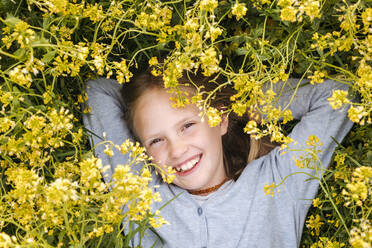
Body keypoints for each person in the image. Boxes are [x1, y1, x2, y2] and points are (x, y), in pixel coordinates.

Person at [83, 69, 353, 248]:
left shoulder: (277, 181)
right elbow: (97, 91)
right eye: (156, 140)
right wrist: (142, 103)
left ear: (220, 119)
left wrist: (242, 105)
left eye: (187, 125)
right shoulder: (140, 189)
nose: (176, 151)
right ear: (142, 149)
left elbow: (337, 95)